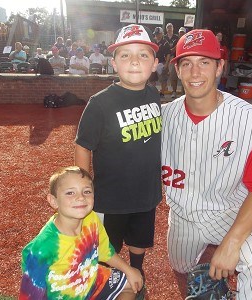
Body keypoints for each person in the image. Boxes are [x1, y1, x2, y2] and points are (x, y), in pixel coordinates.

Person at [162, 29, 252, 299]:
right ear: (178, 71)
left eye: (204, 62)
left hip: (229, 212)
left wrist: (232, 242)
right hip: (182, 214)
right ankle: (205, 262)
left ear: (220, 67)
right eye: (187, 63)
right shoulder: (164, 116)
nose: (195, 73)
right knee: (181, 267)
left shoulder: (247, 120)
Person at [74, 24, 162, 290]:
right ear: (113, 63)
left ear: (155, 64)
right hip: (110, 197)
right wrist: (84, 188)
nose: (134, 61)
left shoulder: (154, 95)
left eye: (143, 55)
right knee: (104, 246)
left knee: (139, 240)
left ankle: (137, 275)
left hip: (145, 193)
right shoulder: (100, 103)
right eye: (125, 55)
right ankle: (102, 283)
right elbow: (83, 146)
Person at [19, 166, 143, 299]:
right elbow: (30, 295)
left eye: (87, 191)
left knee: (133, 282)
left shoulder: (92, 218)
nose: (81, 197)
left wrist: (128, 269)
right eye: (70, 193)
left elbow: (104, 250)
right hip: (64, 296)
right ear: (53, 201)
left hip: (91, 281)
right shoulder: (42, 248)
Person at [149, 26, 170, 97]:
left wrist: (166, 64)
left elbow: (168, 54)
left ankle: (162, 93)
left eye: (158, 34)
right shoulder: (153, 42)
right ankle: (153, 92)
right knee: (152, 78)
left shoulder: (165, 43)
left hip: (161, 62)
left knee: (162, 79)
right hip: (153, 62)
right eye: (156, 34)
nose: (156, 35)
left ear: (161, 34)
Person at [164, 23, 180, 98]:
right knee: (163, 75)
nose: (169, 29)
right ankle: (164, 90)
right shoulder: (164, 37)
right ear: (166, 29)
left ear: (173, 28)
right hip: (164, 58)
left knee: (173, 75)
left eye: (170, 27)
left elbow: (177, 46)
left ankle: (174, 91)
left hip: (173, 57)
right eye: (168, 28)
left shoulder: (176, 37)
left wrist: (170, 51)